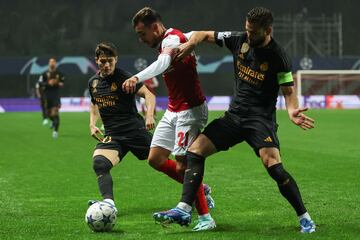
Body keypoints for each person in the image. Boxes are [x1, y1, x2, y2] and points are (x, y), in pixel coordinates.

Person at [153, 7, 316, 234]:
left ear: (268, 30)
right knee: (194, 151)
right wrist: (192, 44)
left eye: (254, 32)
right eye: (247, 29)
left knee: (274, 168)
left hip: (259, 121)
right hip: (234, 116)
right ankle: (183, 208)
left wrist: (292, 111)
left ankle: (305, 217)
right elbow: (203, 33)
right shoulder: (239, 40)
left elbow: (288, 91)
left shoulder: (279, 57)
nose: (249, 35)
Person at [122, 7, 216, 231]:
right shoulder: (170, 38)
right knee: (155, 158)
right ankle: (199, 189)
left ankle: (205, 218)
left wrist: (136, 77)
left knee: (184, 165)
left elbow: (164, 63)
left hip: (190, 111)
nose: (141, 39)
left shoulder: (172, 39)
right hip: (174, 109)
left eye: (142, 33)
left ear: (155, 27)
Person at [88, 42, 156, 212]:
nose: (107, 65)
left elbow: (149, 94)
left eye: (110, 61)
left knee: (162, 162)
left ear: (116, 59)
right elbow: (94, 103)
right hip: (113, 136)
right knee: (100, 164)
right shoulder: (94, 82)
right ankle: (109, 204)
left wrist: (149, 115)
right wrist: (92, 124)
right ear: (96, 60)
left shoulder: (124, 78)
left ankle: (201, 190)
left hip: (135, 132)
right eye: (103, 61)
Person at [37, 58, 65, 138]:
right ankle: (53, 122)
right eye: (51, 62)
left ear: (55, 64)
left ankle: (55, 131)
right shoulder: (44, 74)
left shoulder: (60, 74)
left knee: (55, 113)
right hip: (47, 97)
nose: (52, 63)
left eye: (53, 62)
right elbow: (40, 83)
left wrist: (56, 82)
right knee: (49, 115)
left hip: (56, 97)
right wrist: (48, 83)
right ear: (49, 64)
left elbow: (62, 83)